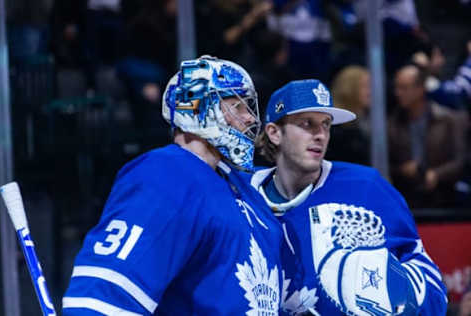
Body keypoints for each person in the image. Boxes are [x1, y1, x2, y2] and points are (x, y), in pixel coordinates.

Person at [62, 55, 284, 315]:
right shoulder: (166, 174)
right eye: (237, 106)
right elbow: (105, 294)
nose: (249, 119)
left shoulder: (241, 187)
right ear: (199, 108)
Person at [250, 79, 447, 315]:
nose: (320, 135)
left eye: (325, 124)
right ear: (274, 133)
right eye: (306, 124)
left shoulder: (366, 187)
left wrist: (400, 298)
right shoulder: (242, 193)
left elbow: (428, 276)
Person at [389, 64, 467, 208]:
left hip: (447, 202)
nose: (398, 93)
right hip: (407, 200)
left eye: (404, 87)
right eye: (397, 87)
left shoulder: (448, 119)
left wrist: (437, 174)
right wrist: (402, 170)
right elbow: (386, 164)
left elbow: (460, 160)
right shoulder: (392, 123)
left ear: (420, 89)